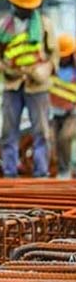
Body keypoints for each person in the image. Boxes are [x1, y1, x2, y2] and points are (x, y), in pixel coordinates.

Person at [0, 0, 57, 178]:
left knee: (41, 131)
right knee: (9, 132)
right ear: (16, 6)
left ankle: (41, 172)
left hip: (37, 85)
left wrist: (46, 69)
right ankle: (9, 173)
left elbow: (53, 54)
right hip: (12, 84)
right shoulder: (5, 27)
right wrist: (4, 67)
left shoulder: (44, 24)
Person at [49, 33, 76, 179]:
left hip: (72, 113)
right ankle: (60, 169)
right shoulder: (52, 68)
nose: (63, 58)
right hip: (54, 113)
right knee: (52, 141)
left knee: (65, 137)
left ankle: (66, 171)